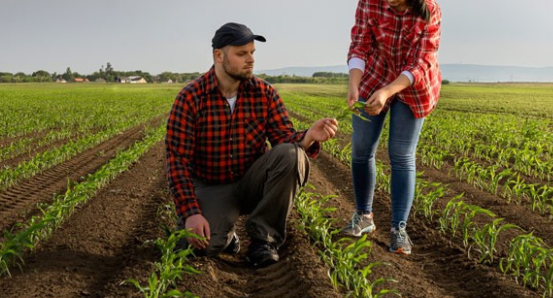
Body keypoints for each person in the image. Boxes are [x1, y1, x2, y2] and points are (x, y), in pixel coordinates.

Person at [166, 22, 339, 267]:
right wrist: (191, 213)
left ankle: (264, 239)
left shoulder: (264, 93)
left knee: (293, 155)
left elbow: (283, 138)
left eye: (252, 53)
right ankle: (227, 237)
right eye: (241, 53)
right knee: (194, 248)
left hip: (251, 181)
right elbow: (177, 162)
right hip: (213, 185)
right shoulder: (191, 98)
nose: (250, 59)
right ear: (218, 55)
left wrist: (309, 135)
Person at [341, 0, 442, 255]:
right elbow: (360, 43)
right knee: (361, 148)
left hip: (414, 86)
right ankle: (364, 216)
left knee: (401, 154)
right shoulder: (369, 2)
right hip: (375, 75)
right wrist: (354, 85)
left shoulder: (430, 10)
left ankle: (399, 229)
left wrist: (387, 92)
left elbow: (420, 62)